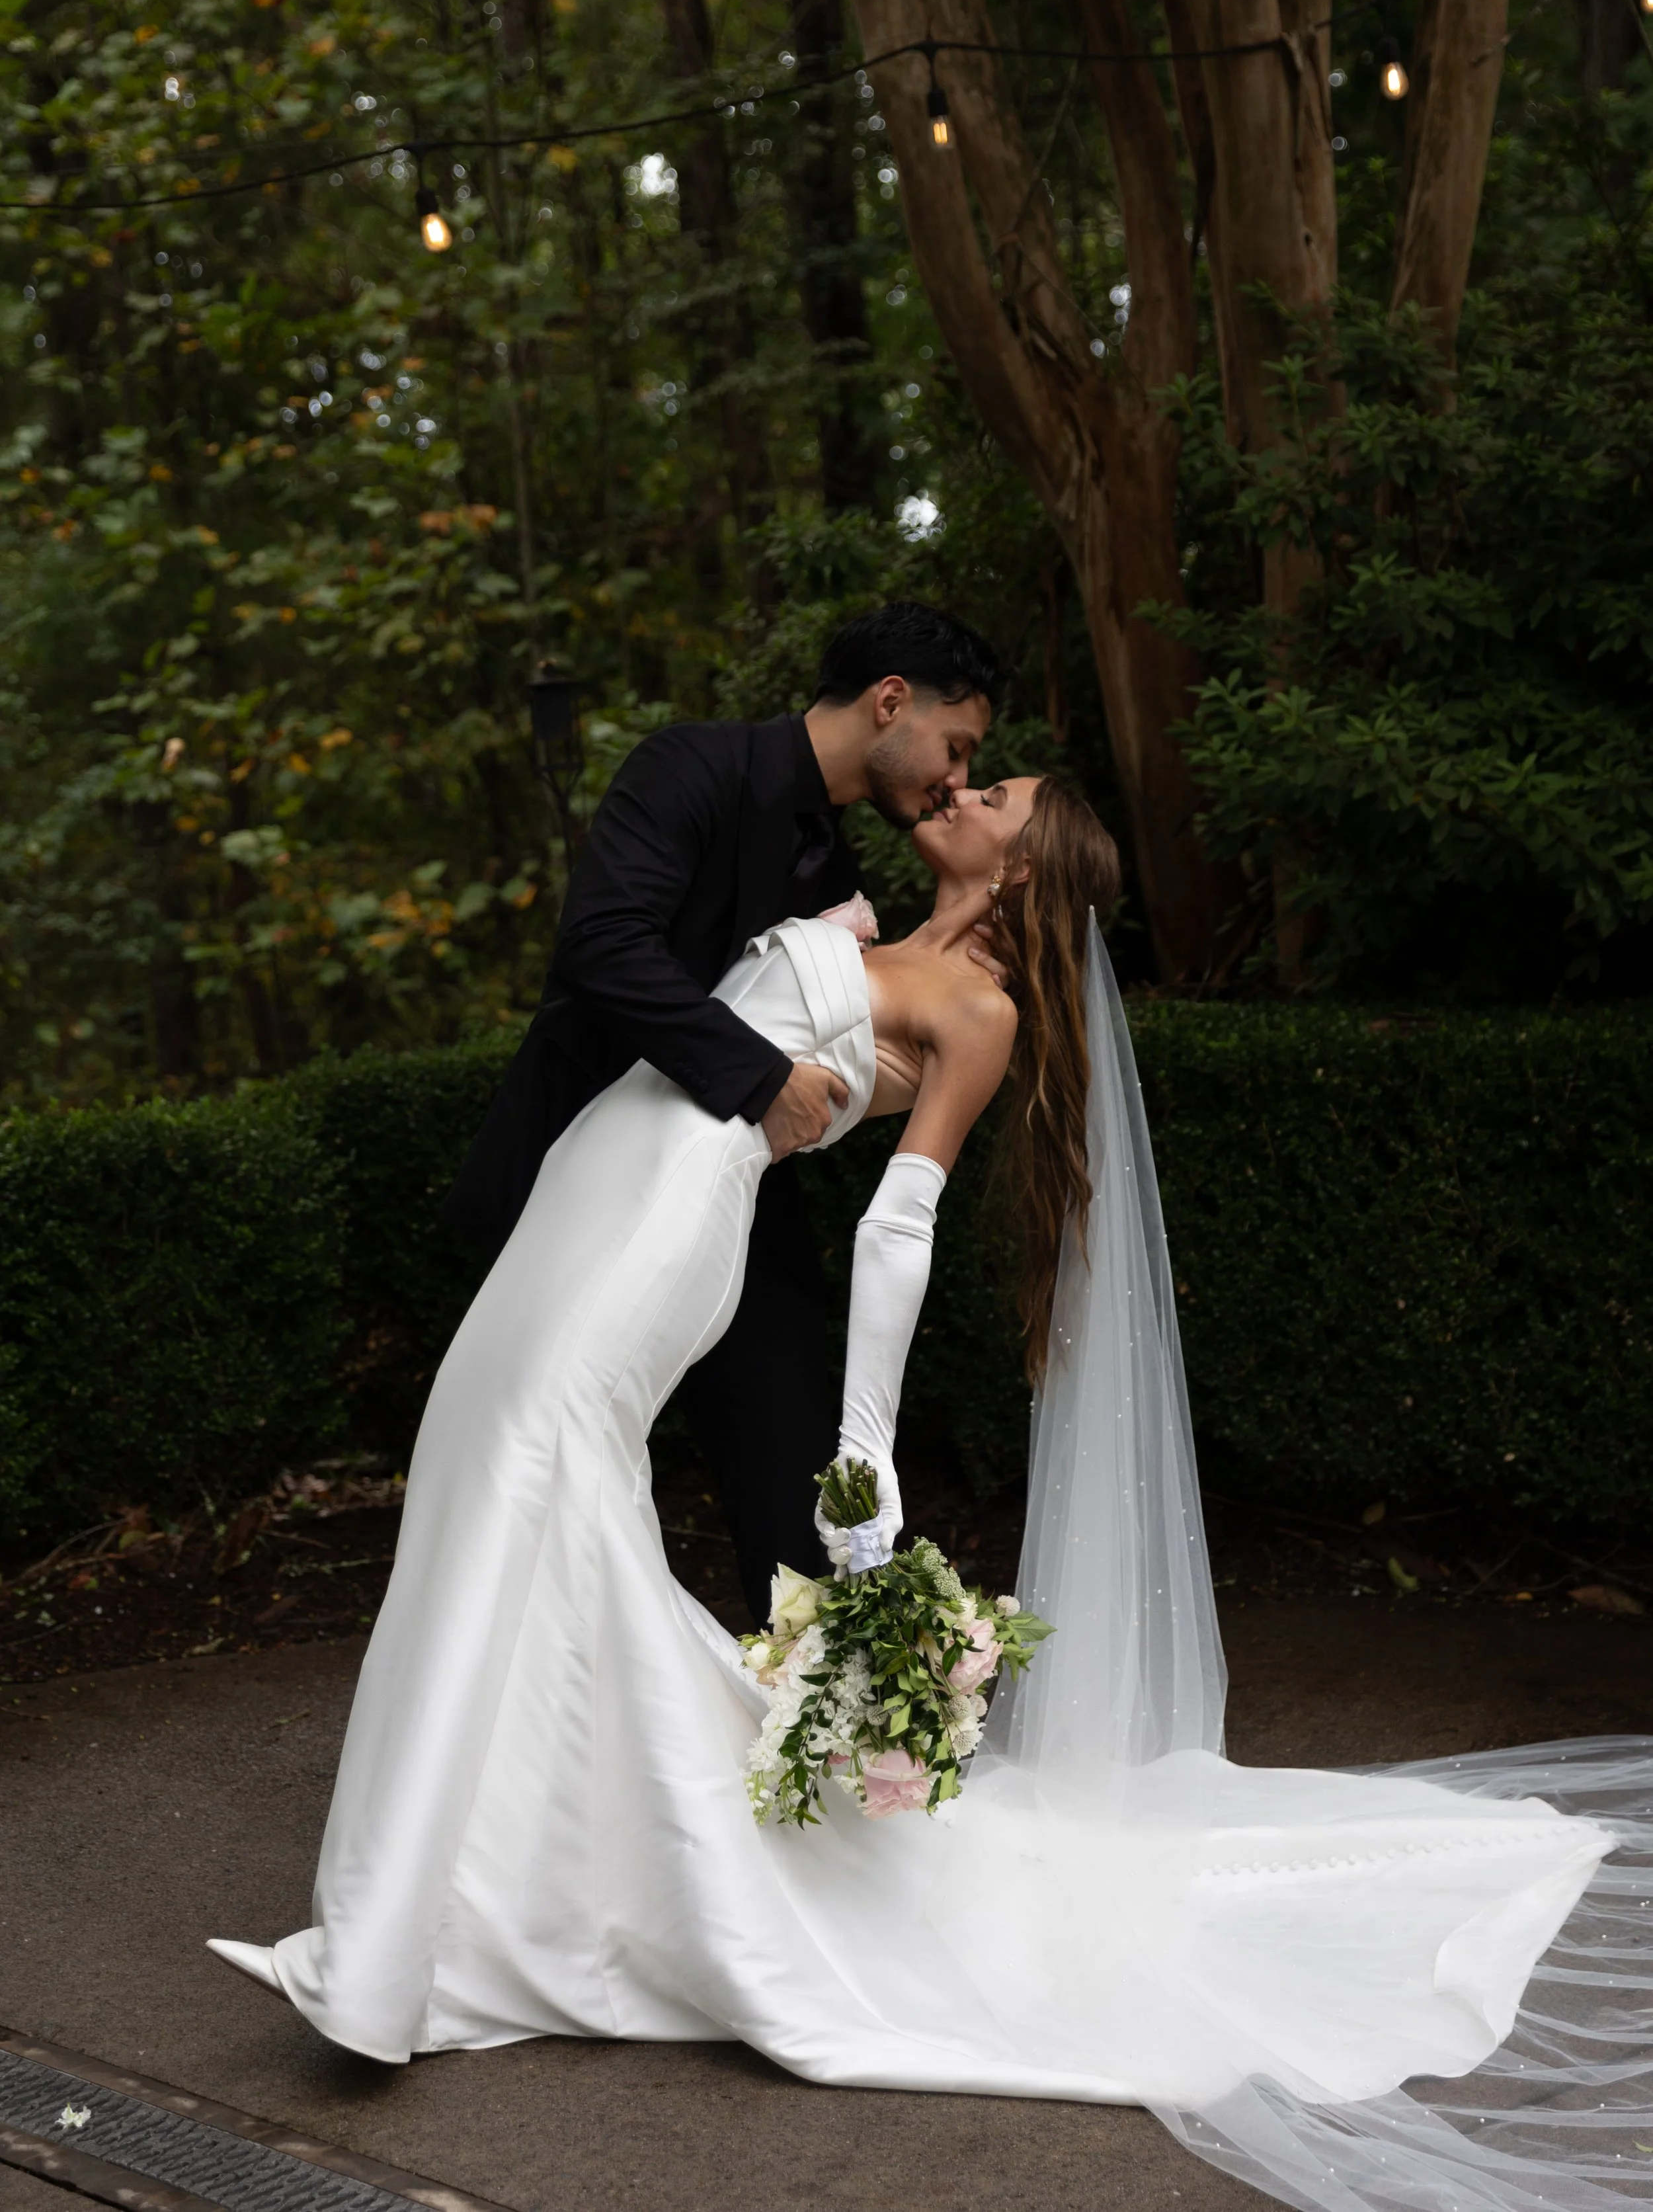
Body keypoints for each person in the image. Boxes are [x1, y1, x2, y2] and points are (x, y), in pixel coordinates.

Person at [212, 776, 1653, 2212]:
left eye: (995, 793)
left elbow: (900, 1227)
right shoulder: (865, 924)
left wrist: (865, 1447)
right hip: (591, 1184)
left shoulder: (982, 1011)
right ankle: (503, 1888)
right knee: (482, 1464)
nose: (961, 788)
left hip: (666, 1220)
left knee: (539, 1472)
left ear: (1025, 871)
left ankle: (423, 1925)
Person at [441, 600, 1008, 1620]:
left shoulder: (839, 872)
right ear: (891, 702)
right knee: (540, 1468)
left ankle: (821, 1744)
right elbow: (604, 944)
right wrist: (759, 1077)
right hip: (575, 1181)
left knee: (793, 1476)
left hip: (739, 1207)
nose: (955, 782)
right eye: (957, 748)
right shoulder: (688, 767)